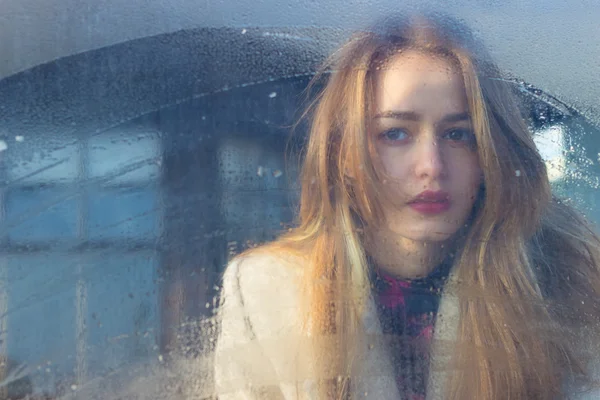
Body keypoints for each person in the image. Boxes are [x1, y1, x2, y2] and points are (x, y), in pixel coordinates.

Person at [213, 12, 600, 399]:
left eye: (458, 134)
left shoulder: (563, 280)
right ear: (343, 155)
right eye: (395, 133)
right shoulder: (266, 290)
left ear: (490, 153)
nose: (431, 166)